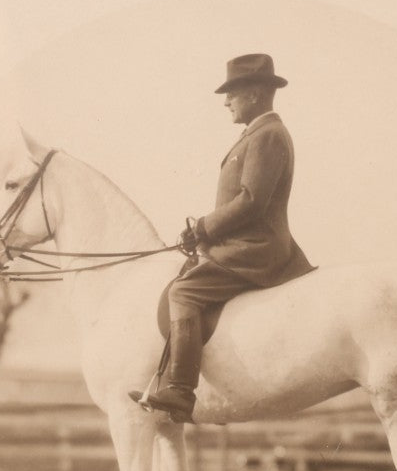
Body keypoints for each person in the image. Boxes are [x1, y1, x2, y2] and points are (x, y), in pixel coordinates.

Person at [133, 53, 314, 423]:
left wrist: (203, 228)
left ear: (256, 94)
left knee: (182, 292)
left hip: (255, 250)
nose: (226, 100)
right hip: (242, 246)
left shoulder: (267, 135)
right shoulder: (257, 135)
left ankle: (181, 389)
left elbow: (250, 200)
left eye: (232, 91)